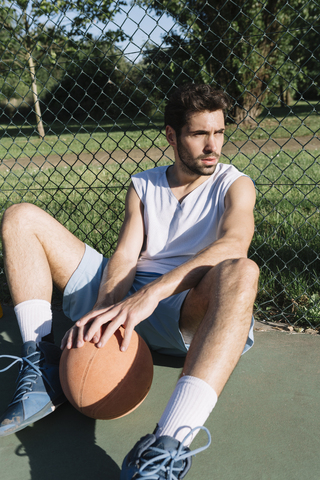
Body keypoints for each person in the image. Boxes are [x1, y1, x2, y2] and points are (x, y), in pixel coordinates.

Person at [0, 83, 259, 479]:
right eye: (199, 134)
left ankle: (164, 449)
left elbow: (235, 243)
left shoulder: (234, 184)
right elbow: (125, 255)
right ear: (172, 136)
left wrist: (151, 296)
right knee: (20, 217)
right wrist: (106, 308)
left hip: (179, 302)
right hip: (127, 291)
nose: (213, 145)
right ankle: (43, 365)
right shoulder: (144, 184)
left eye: (219, 132)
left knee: (243, 271)